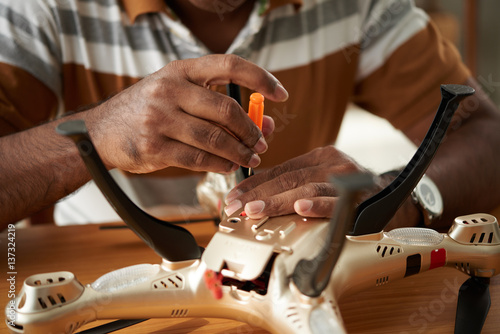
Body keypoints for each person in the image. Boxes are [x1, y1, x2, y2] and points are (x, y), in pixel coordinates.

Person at [0, 0, 499, 231]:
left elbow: (486, 135)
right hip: (101, 277)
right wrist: (98, 133)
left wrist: (401, 196)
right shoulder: (41, 6)